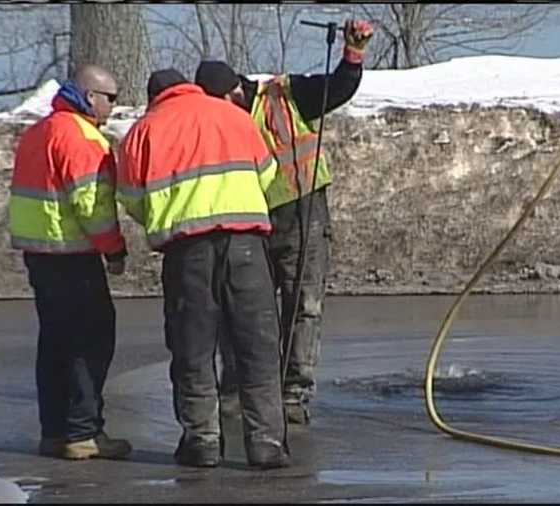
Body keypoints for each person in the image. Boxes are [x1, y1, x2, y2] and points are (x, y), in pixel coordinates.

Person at [193, 19, 374, 425]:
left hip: (302, 212)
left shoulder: (285, 93)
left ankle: (293, 393)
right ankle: (239, 388)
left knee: (302, 305)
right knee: (242, 308)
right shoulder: (211, 118)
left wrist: (353, 53)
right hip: (247, 220)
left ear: (234, 91)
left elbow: (339, 88)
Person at [116, 69, 286, 468]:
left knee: (192, 348)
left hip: (187, 252)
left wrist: (170, 216)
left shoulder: (143, 132)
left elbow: (133, 199)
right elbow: (267, 174)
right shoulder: (233, 116)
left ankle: (202, 442)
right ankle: (265, 444)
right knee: (257, 346)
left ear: (154, 96)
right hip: (246, 246)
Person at [9, 64, 132, 460]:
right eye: (110, 98)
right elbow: (91, 205)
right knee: (90, 341)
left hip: (40, 254)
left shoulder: (37, 132)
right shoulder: (80, 137)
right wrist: (114, 250)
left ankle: (55, 432)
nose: (113, 106)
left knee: (55, 342)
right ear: (90, 95)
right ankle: (83, 433)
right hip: (72, 255)